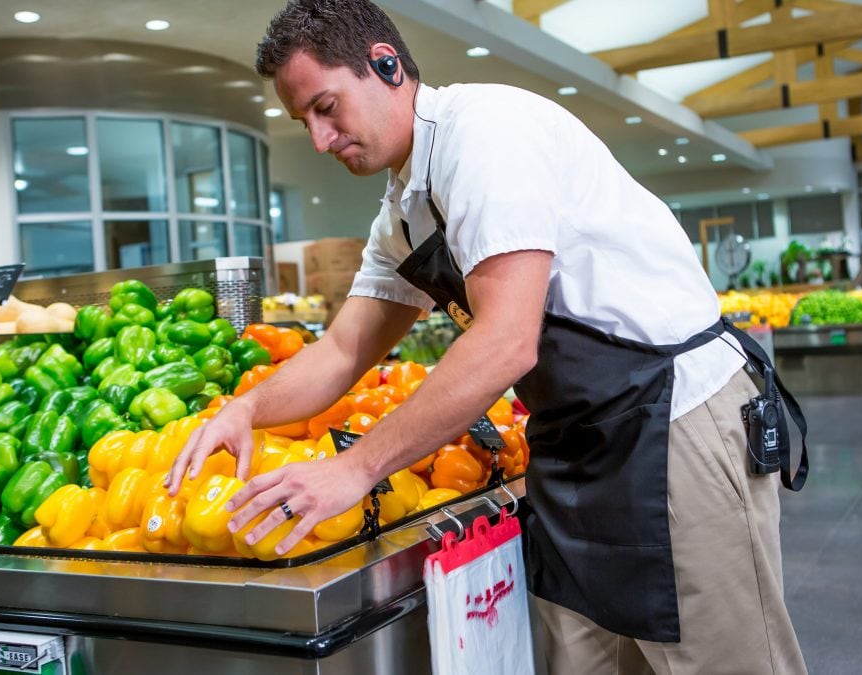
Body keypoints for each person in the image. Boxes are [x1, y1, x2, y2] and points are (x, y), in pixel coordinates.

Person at [166, 1, 808, 672]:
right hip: (574, 446)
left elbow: (507, 342)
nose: (322, 140)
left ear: (385, 64)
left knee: (724, 658)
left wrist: (353, 469)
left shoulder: (486, 135)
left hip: (675, 423)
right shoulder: (402, 214)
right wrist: (244, 407)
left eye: (327, 108)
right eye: (305, 123)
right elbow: (342, 350)